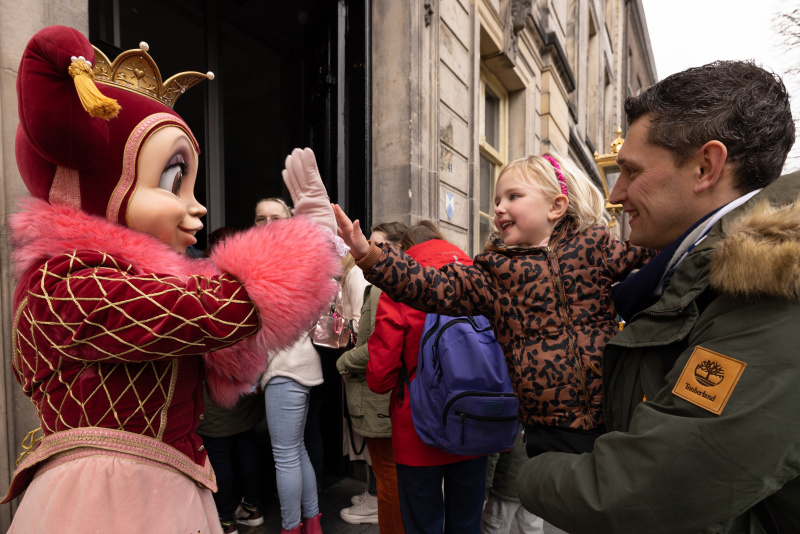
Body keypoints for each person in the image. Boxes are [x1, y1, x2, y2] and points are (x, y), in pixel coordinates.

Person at [2, 26, 340, 533]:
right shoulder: (64, 283)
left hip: (160, 489)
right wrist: (310, 242)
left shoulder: (110, 278)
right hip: (109, 501)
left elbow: (225, 337)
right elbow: (219, 310)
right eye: (172, 180)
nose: (197, 207)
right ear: (101, 181)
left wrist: (311, 248)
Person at [512, 61, 800, 533]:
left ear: (706, 167)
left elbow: (651, 490)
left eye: (631, 171)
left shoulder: (772, 291)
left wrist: (533, 468)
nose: (616, 194)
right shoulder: (702, 278)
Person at [333, 152, 650, 463]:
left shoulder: (595, 247)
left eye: (514, 196)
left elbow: (655, 256)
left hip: (616, 413)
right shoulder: (497, 271)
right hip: (549, 426)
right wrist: (367, 254)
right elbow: (430, 286)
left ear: (556, 206)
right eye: (497, 200)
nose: (498, 208)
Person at [365, 220, 490, 534]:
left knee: (422, 526)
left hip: (417, 427)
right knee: (467, 524)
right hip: (475, 421)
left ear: (407, 250)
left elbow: (380, 378)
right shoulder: (480, 278)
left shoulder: (399, 288)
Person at [256, 189, 328, 534]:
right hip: (299, 366)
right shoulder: (301, 259)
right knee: (296, 450)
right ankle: (311, 523)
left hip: (285, 368)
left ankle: (291, 527)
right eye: (260, 219)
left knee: (285, 455)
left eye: (276, 217)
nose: (268, 224)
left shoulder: (280, 264)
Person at [337, 221, 408, 531]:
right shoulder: (389, 283)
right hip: (384, 393)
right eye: (370, 243)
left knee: (387, 475)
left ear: (398, 249)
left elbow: (378, 345)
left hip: (379, 393)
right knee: (390, 474)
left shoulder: (383, 287)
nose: (369, 250)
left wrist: (344, 362)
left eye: (379, 245)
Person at [196, 227, 266, 534]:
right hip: (248, 378)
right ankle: (252, 507)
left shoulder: (205, 282)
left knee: (219, 453)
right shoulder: (255, 280)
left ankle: (225, 521)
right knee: (247, 443)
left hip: (218, 382)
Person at [481, 425, 543, 534]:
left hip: (505, 488)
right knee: (533, 529)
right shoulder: (543, 420)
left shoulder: (507, 421)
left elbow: (492, 455)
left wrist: (484, 489)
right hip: (534, 487)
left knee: (495, 528)